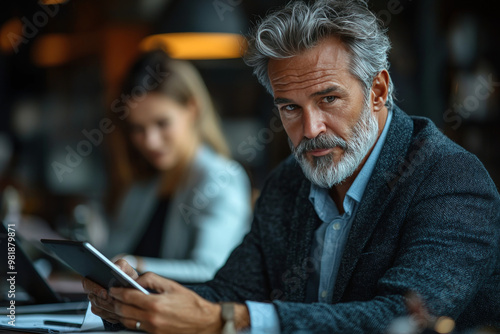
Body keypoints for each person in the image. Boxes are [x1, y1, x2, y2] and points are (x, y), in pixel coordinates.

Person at [83, 1, 500, 333]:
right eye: (290, 108)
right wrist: (140, 298)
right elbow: (230, 291)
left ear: (378, 90)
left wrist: (225, 321)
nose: (311, 129)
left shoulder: (449, 179)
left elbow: (403, 318)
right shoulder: (289, 181)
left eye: (329, 100)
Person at [101, 50, 252, 283]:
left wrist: (136, 265)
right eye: (138, 129)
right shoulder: (144, 183)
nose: (150, 141)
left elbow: (209, 270)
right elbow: (113, 254)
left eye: (162, 123)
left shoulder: (221, 177)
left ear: (192, 109)